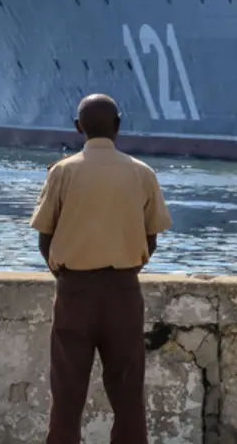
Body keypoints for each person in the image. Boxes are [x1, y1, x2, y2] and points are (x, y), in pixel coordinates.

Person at [30, 94, 172, 444]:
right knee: (128, 396)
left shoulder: (62, 172)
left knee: (66, 394)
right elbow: (151, 238)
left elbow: (45, 237)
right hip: (123, 292)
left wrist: (67, 275)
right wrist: (124, 269)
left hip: (74, 292)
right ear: (118, 125)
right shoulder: (142, 173)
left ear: (78, 128)